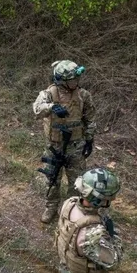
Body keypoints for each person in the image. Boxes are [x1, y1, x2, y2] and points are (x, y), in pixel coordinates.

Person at [32, 60, 97, 224]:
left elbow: (90, 119)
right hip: (54, 146)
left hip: (76, 145)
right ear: (62, 80)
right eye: (72, 79)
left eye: (76, 79)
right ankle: (51, 207)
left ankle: (70, 210)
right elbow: (37, 109)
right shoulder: (49, 93)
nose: (76, 82)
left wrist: (89, 139)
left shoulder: (83, 95)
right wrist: (52, 107)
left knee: (77, 181)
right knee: (52, 179)